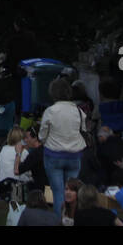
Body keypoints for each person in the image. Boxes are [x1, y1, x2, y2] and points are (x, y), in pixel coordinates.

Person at [38, 77, 87, 217]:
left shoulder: (50, 111)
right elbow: (82, 130)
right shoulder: (78, 110)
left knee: (58, 191)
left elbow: (42, 135)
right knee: (72, 191)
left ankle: (60, 220)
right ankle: (72, 218)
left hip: (53, 155)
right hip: (74, 155)